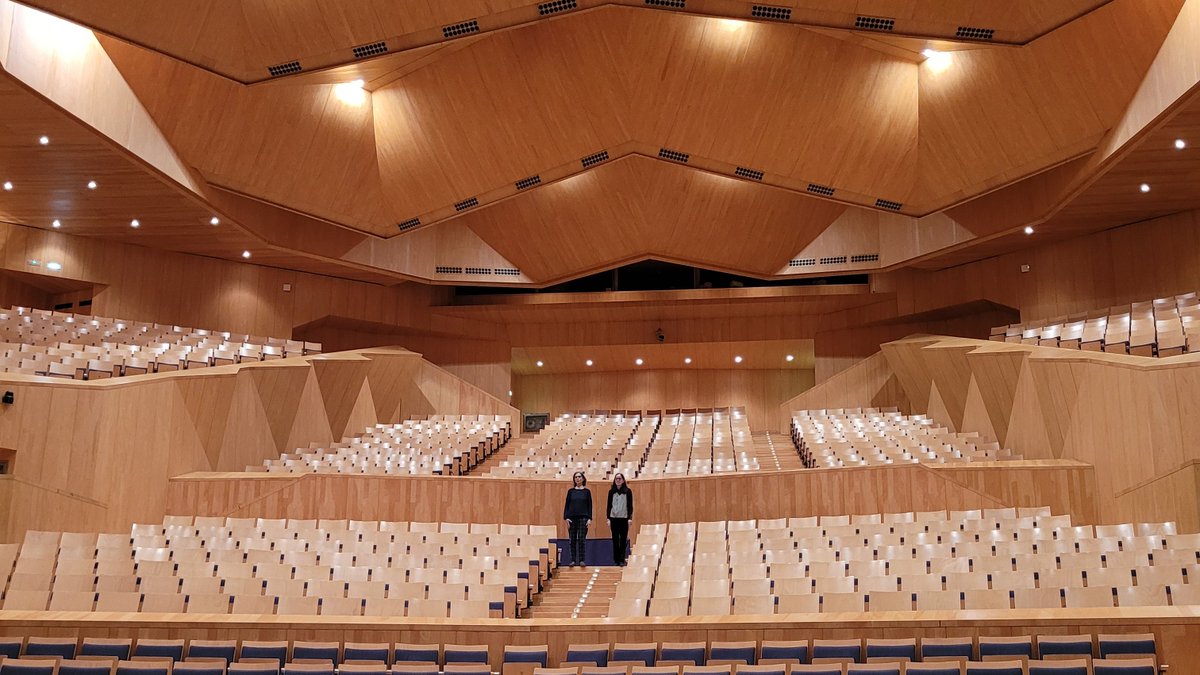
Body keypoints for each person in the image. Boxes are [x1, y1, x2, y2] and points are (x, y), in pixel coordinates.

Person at [563, 471, 592, 567]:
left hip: (584, 518)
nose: (577, 478)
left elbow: (590, 506)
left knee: (581, 539)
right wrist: (566, 517)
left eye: (579, 477)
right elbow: (566, 505)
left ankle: (581, 560)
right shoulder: (570, 492)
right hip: (571, 519)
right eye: (576, 477)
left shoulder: (587, 492)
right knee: (572, 540)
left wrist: (589, 518)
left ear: (583, 479)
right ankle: (573, 560)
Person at [606, 473, 633, 566]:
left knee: (623, 539)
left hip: (624, 519)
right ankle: (616, 560)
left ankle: (621, 559)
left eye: (619, 478)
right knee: (615, 540)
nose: (618, 480)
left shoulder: (628, 491)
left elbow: (630, 506)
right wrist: (608, 518)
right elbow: (609, 506)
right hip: (613, 519)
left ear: (623, 480)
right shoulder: (611, 492)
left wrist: (630, 518)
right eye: (616, 478)